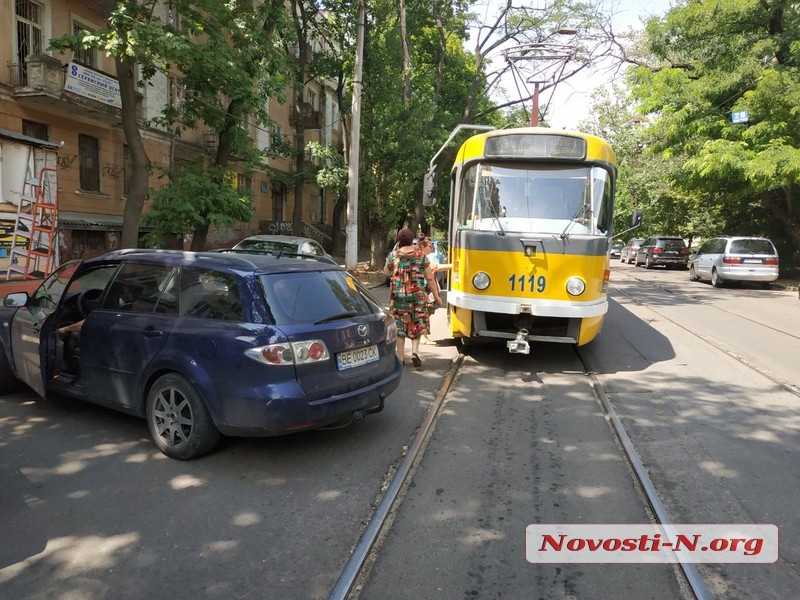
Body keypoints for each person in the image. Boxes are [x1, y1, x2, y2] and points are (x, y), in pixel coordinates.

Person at [383, 228, 442, 367]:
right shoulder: (421, 256)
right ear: (411, 240)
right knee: (417, 322)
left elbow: (386, 271)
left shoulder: (393, 255)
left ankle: (401, 357)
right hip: (417, 296)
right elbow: (430, 278)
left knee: (400, 325)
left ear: (399, 241)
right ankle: (415, 352)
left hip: (398, 297)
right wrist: (437, 296)